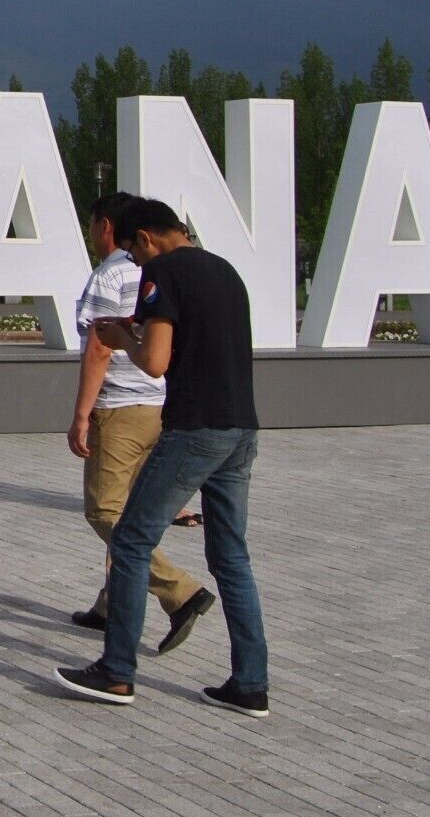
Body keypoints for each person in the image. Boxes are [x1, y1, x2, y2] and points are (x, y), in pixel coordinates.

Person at [53, 197, 271, 717]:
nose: (135, 261)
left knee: (130, 540)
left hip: (194, 429)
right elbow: (195, 347)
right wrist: (137, 330)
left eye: (134, 251)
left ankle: (116, 672)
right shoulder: (226, 271)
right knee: (231, 557)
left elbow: (154, 361)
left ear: (147, 238)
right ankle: (250, 683)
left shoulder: (163, 273)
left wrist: (119, 336)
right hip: (241, 428)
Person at [65, 193, 212, 641]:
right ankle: (111, 604)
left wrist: (82, 415)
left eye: (92, 225)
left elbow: (99, 347)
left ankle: (180, 591)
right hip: (160, 405)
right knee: (130, 509)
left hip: (120, 408)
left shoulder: (109, 275)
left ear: (106, 226)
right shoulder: (161, 272)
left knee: (105, 511)